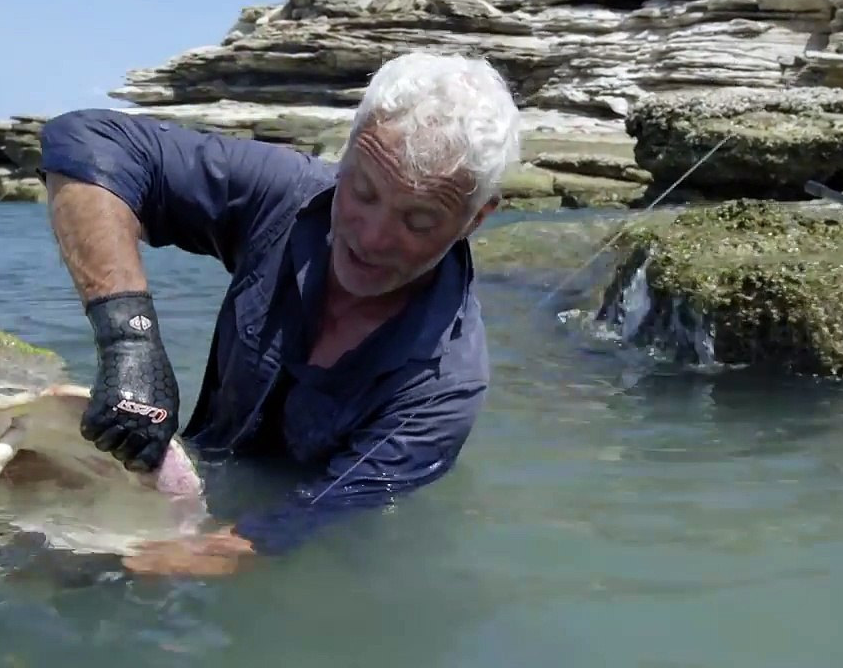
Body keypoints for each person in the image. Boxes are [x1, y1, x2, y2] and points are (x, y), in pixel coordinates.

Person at [38, 50, 522, 576]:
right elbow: (84, 142)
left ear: (477, 217)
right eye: (362, 191)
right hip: (194, 464)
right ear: (348, 152)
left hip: (301, 542)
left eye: (420, 220)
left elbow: (310, 516)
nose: (373, 236)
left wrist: (128, 563)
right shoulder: (284, 195)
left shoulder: (444, 391)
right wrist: (128, 340)